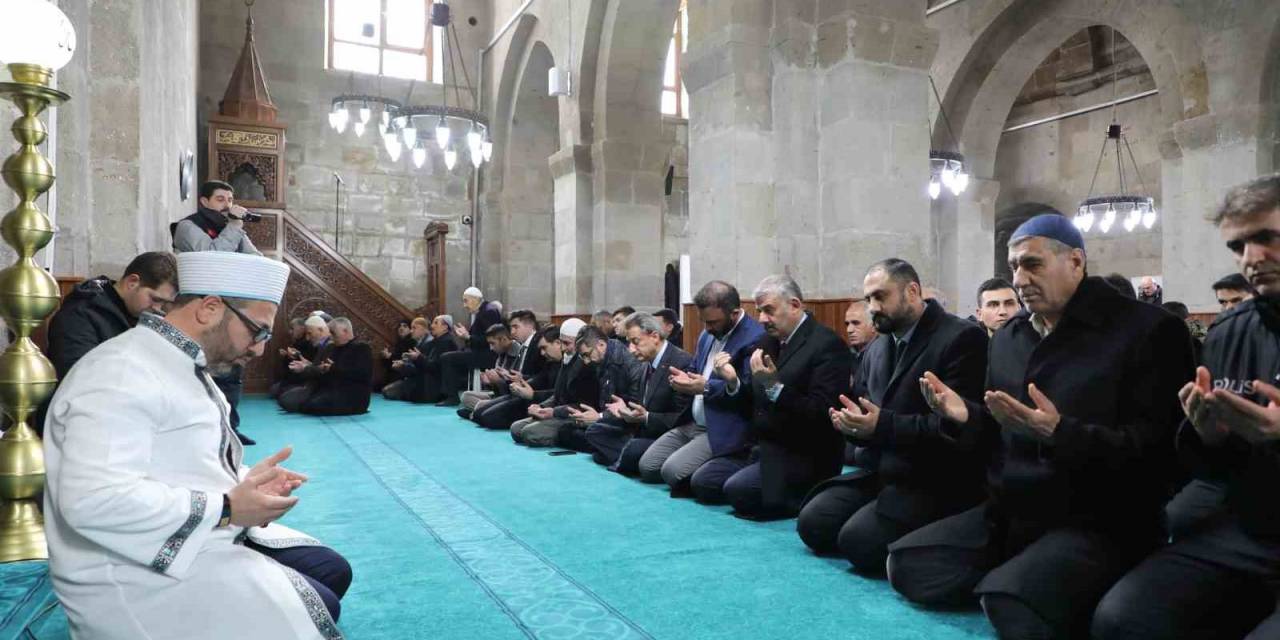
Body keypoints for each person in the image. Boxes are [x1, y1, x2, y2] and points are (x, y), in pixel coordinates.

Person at [898, 214, 1195, 638]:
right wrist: (963, 415)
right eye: (1014, 266)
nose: (1019, 279)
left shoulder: (1148, 330)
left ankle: (1042, 579)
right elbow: (997, 433)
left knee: (1009, 606)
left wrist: (1060, 433)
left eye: (1032, 264)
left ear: (1076, 261)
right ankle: (1030, 574)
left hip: (1098, 516)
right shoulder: (1008, 338)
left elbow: (1163, 452)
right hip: (1014, 509)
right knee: (907, 565)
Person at [43, 250, 351, 639]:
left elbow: (185, 458)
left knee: (332, 570)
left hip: (191, 529)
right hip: (129, 569)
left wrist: (247, 481)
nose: (258, 349)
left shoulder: (182, 361)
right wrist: (227, 507)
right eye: (257, 331)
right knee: (322, 602)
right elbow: (92, 501)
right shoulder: (120, 372)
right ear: (209, 308)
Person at [1092, 174, 1280, 640]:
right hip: (1248, 526)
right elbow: (1213, 469)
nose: (1250, 259)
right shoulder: (1229, 332)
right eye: (1238, 247)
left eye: (1266, 238)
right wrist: (1207, 435)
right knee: (1122, 620)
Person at [797, 259, 988, 573]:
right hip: (883, 469)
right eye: (869, 298)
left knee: (857, 543)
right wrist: (852, 425)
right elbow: (867, 410)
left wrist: (879, 425)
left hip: (934, 477)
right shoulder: (879, 346)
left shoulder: (962, 338)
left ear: (912, 291)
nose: (872, 307)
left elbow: (959, 427)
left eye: (880, 296)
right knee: (813, 523)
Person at [701, 275, 852, 519]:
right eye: (759, 311)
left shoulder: (827, 345)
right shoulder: (766, 342)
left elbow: (824, 412)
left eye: (769, 310)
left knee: (736, 490)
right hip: (762, 446)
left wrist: (774, 387)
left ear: (794, 305)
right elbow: (752, 397)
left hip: (804, 453)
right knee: (705, 482)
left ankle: (807, 494)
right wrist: (733, 382)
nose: (761, 319)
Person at [39, 252, 178, 434]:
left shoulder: (138, 314)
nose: (158, 309)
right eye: (155, 299)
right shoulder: (81, 314)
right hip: (77, 423)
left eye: (164, 304)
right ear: (132, 282)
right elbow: (76, 378)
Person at [651, 281, 765, 493]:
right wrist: (684, 379)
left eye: (713, 322)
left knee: (671, 472)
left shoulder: (755, 337)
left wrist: (706, 388)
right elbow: (696, 369)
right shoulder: (707, 335)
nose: (707, 329)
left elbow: (750, 392)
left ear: (735, 313)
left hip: (724, 426)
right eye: (704, 322)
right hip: (694, 421)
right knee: (648, 466)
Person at [172, 180, 264, 446]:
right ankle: (206, 431)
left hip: (230, 306)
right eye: (221, 199)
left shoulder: (231, 229)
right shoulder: (187, 227)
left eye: (230, 200)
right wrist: (235, 226)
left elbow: (255, 258)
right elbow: (211, 256)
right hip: (199, 309)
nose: (228, 205)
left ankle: (231, 427)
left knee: (232, 369)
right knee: (205, 370)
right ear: (204, 201)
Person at [584, 312, 694, 473]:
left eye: (636, 342)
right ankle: (623, 455)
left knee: (632, 449)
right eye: (629, 343)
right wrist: (626, 411)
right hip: (642, 429)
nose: (631, 349)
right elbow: (640, 407)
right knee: (596, 431)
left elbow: (682, 419)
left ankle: (622, 456)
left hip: (669, 436)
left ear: (655, 337)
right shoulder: (646, 363)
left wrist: (647, 417)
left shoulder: (681, 363)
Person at [556, 325, 647, 452]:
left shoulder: (630, 364)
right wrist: (589, 416)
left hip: (627, 424)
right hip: (608, 419)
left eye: (587, 354)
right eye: (583, 357)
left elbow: (633, 407)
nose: (586, 361)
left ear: (601, 344)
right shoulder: (601, 360)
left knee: (591, 433)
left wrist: (599, 417)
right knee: (566, 431)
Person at [510, 319, 600, 446]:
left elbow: (583, 405)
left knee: (530, 433)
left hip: (573, 416)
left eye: (567, 343)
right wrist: (541, 407)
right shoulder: (566, 359)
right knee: (516, 428)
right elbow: (557, 395)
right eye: (561, 342)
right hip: (558, 412)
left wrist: (553, 412)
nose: (563, 348)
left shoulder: (587, 365)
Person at [473, 324, 564, 430]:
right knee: (479, 413)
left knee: (488, 417)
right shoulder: (552, 362)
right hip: (529, 396)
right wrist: (517, 383)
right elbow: (539, 379)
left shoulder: (564, 362)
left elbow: (557, 395)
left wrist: (532, 394)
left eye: (544, 348)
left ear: (558, 343)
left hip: (540, 401)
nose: (542, 353)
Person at [277, 317, 373, 416]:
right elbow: (324, 370)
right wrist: (323, 369)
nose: (330, 336)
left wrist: (332, 368)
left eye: (333, 333)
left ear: (345, 331)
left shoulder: (361, 348)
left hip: (353, 395)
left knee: (313, 405)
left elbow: (361, 374)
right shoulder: (334, 347)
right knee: (294, 401)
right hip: (333, 390)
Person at [436, 287, 503, 406]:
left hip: (488, 356)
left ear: (475, 299)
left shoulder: (488, 312)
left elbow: (491, 340)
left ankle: (451, 397)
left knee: (447, 358)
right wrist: (467, 337)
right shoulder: (485, 310)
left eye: (466, 301)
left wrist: (468, 337)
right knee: (451, 356)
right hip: (481, 353)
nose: (464, 305)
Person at [379, 319, 416, 389]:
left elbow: (405, 359)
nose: (401, 328)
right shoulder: (399, 342)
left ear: (410, 329)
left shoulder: (412, 341)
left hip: (403, 374)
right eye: (400, 326)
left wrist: (390, 356)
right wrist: (386, 356)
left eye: (405, 326)